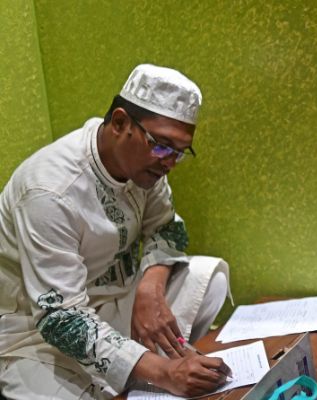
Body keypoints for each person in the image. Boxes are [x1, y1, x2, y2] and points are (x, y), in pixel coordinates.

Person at [0, 64, 233, 399]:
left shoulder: (146, 166)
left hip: (110, 297)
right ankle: (156, 371)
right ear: (121, 122)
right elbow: (60, 319)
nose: (169, 162)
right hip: (35, 332)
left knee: (210, 281)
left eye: (179, 152)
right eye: (162, 145)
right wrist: (164, 371)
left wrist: (150, 287)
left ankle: (145, 369)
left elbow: (168, 228)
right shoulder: (49, 191)